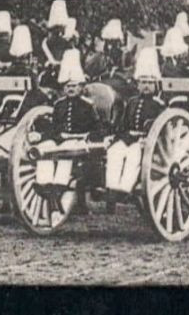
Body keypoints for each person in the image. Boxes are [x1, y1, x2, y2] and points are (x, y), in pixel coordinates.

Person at [32, 49, 103, 202]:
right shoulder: (59, 105)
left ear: (81, 88)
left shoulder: (88, 105)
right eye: (67, 86)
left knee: (65, 155)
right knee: (46, 150)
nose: (70, 89)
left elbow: (96, 127)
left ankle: (59, 185)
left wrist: (90, 136)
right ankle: (44, 183)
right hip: (61, 139)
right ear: (63, 88)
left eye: (74, 86)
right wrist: (48, 136)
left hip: (78, 141)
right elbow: (55, 125)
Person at [106, 47, 168, 194]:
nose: (146, 86)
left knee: (133, 155)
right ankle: (112, 187)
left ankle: (125, 188)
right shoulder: (132, 102)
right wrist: (117, 137)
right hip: (129, 137)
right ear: (138, 84)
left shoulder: (159, 105)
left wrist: (148, 140)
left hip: (146, 141)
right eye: (143, 82)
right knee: (114, 151)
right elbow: (123, 124)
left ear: (155, 85)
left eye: (149, 83)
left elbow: (162, 129)